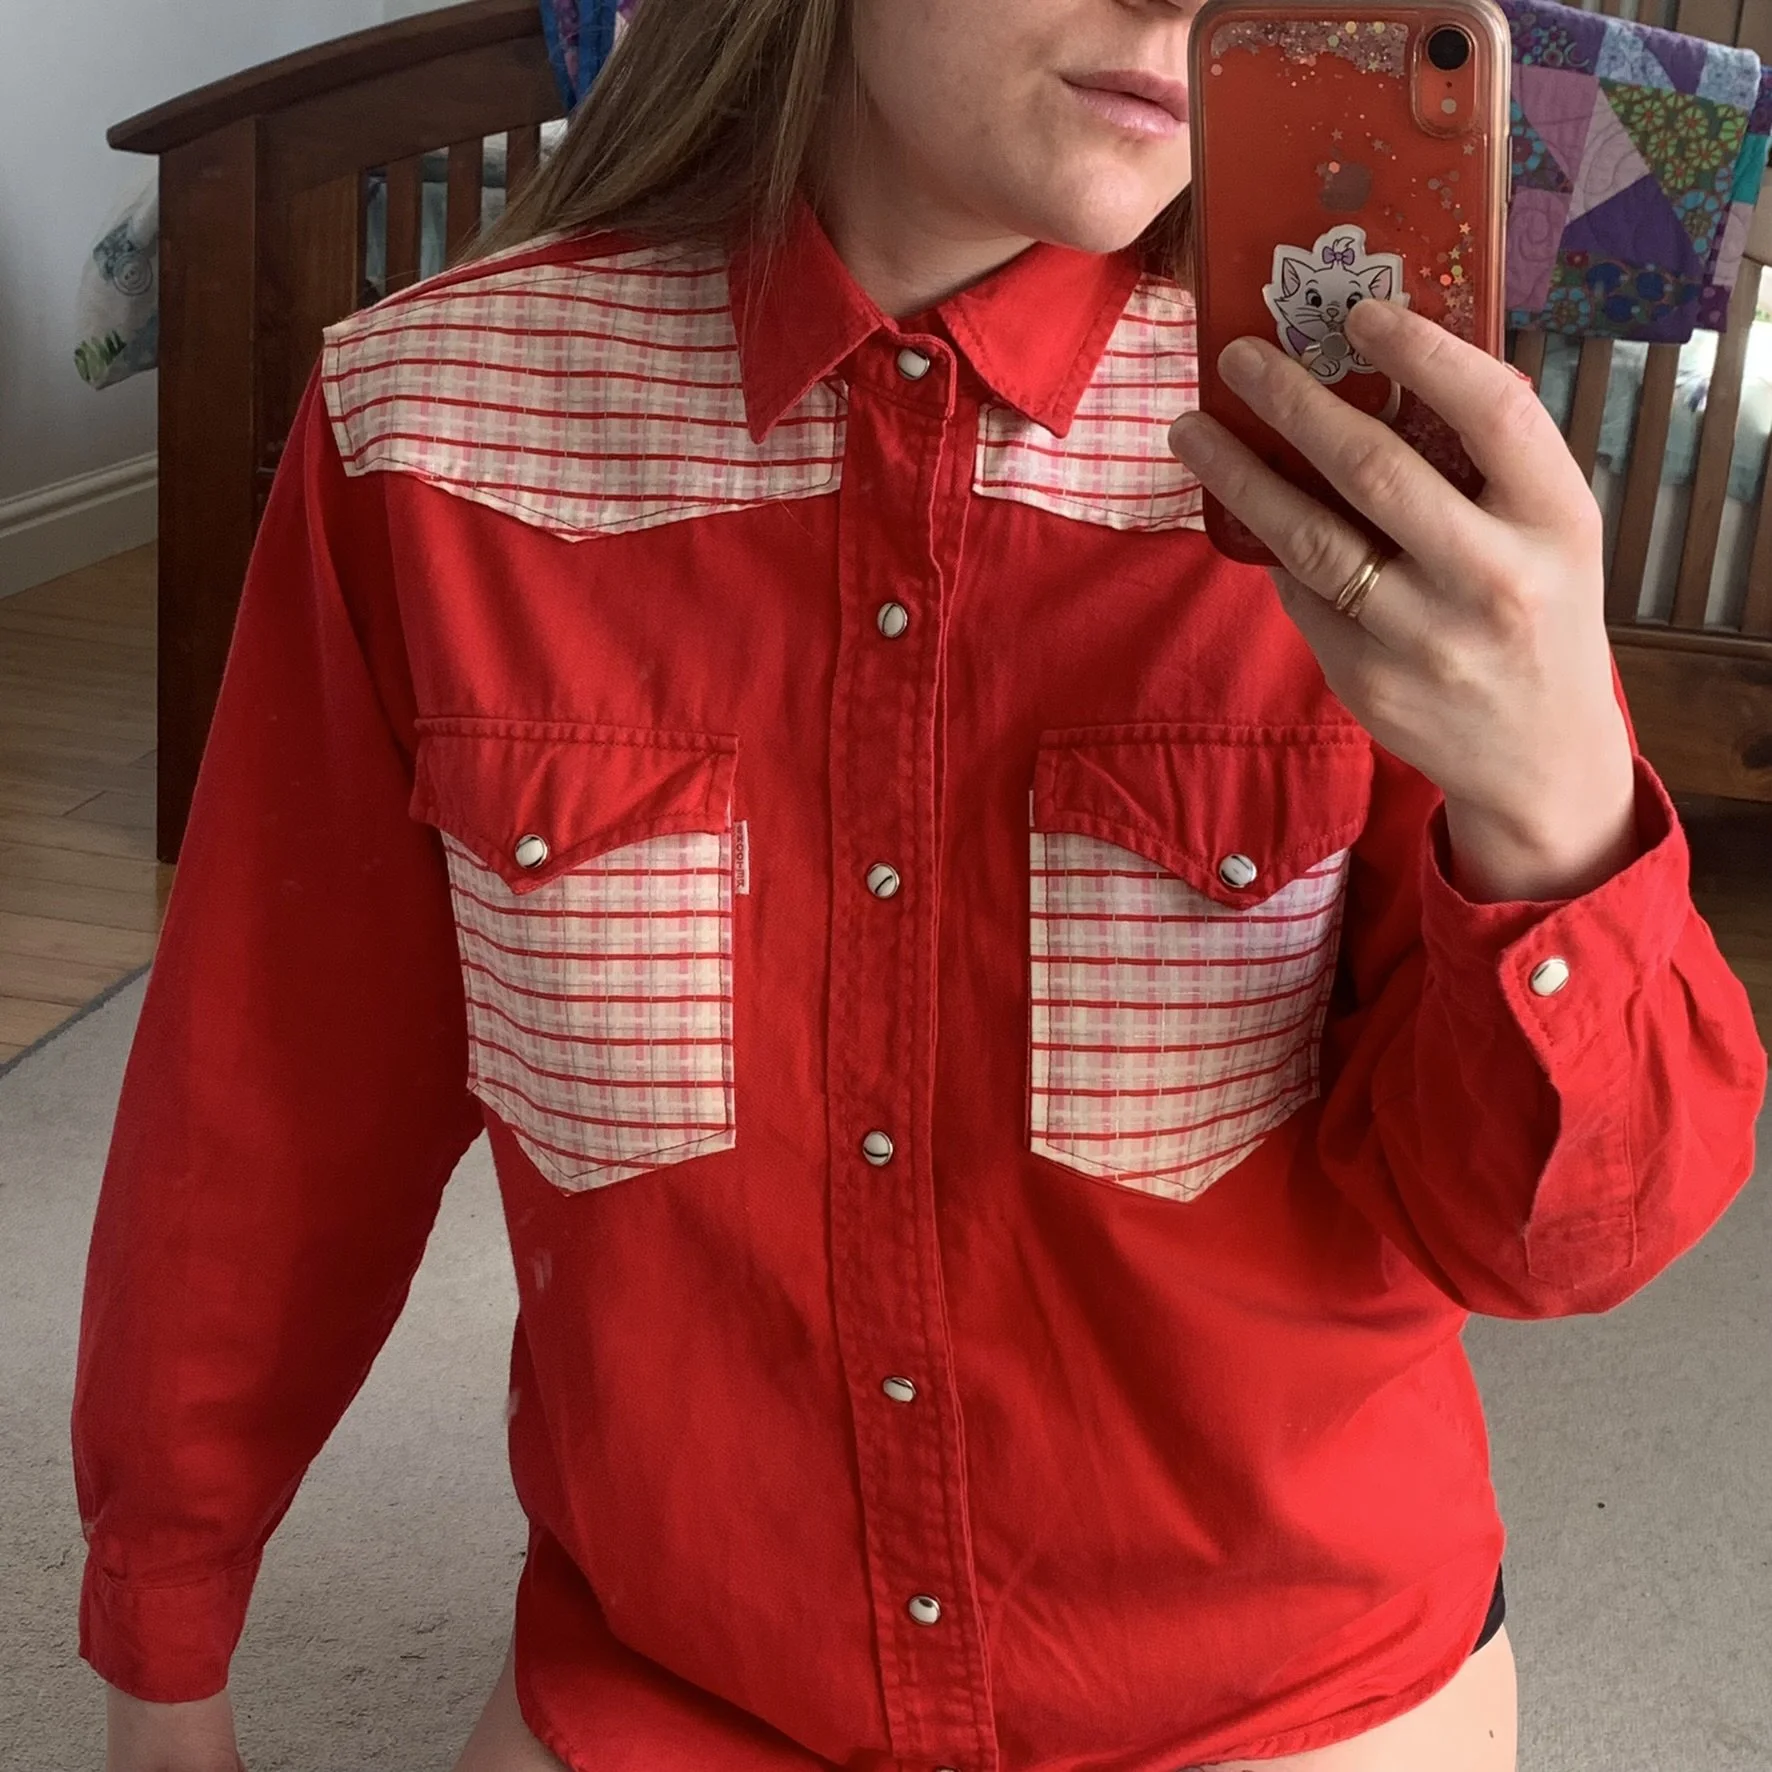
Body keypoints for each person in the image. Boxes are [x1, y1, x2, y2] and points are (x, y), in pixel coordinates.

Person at [80, 0, 1767, 1768]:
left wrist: (1555, 810)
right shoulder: (427, 440)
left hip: (1279, 1689)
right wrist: (161, 1656)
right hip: (685, 1683)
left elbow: (1556, 1239)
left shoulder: (1378, 479)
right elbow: (264, 1113)